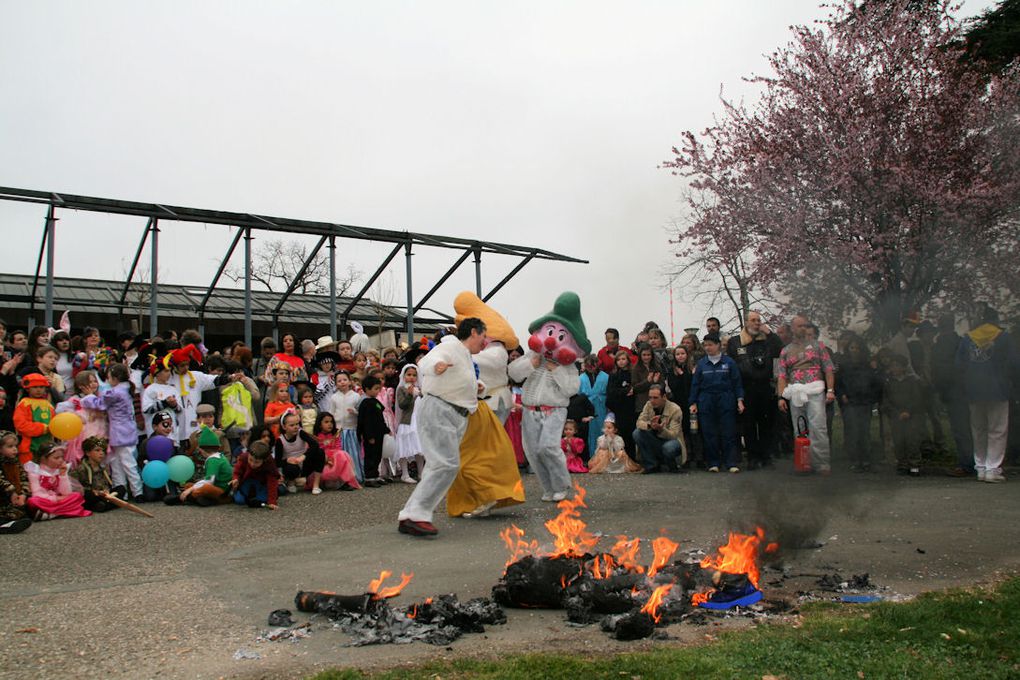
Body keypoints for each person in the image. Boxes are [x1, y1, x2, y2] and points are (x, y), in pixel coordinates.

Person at [397, 318, 487, 537]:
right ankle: (417, 514)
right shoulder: (450, 346)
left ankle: (411, 514)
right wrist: (435, 367)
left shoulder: (464, 354)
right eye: (484, 336)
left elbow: (456, 381)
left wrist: (477, 388)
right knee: (446, 464)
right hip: (440, 410)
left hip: (454, 413)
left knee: (439, 465)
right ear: (474, 332)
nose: (484, 342)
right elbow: (427, 362)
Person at [955, 306, 1019, 483]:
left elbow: (959, 365)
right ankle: (993, 469)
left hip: (974, 390)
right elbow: (1014, 363)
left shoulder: (968, 339)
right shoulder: (1003, 337)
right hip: (998, 389)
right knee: (997, 430)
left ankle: (981, 468)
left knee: (978, 430)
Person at [777, 315, 836, 475]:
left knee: (818, 427)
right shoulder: (785, 351)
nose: (803, 328)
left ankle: (822, 463)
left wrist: (830, 390)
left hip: (815, 390)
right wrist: (781, 397)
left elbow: (829, 369)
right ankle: (804, 463)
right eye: (800, 326)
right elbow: (782, 375)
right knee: (800, 429)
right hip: (795, 391)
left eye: (805, 325)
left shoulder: (818, 346)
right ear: (793, 328)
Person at [726, 311, 783, 470]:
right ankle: (753, 457)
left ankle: (766, 455)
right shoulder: (735, 342)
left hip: (765, 387)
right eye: (753, 320)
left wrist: (770, 333)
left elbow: (781, 351)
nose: (757, 323)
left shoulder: (767, 340)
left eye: (759, 320)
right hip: (746, 388)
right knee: (749, 424)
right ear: (746, 322)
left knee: (766, 423)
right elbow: (731, 365)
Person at [81, 363, 145, 501]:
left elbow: (100, 404)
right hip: (122, 430)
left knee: (127, 463)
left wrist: (88, 396)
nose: (107, 380)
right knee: (116, 462)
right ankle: (122, 492)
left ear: (115, 378)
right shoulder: (125, 389)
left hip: (121, 432)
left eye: (109, 377)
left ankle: (137, 492)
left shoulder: (115, 392)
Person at [690, 334, 745, 473]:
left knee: (728, 431)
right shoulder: (702, 364)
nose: (708, 347)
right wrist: (693, 402)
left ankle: (731, 462)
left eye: (710, 344)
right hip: (706, 400)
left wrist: (740, 400)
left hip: (726, 398)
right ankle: (713, 462)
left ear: (718, 345)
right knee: (709, 432)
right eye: (705, 345)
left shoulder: (729, 362)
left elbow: (737, 383)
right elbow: (695, 385)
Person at [932, 313, 973, 477]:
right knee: (974, 428)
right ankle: (980, 462)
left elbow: (940, 371)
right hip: (967, 390)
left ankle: (967, 463)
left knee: (960, 429)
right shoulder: (962, 342)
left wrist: (940, 390)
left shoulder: (940, 346)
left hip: (953, 391)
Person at [835, 336, 881, 472]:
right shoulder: (843, 365)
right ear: (848, 349)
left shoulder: (868, 365)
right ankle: (854, 460)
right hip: (849, 402)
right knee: (852, 431)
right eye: (852, 348)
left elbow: (875, 383)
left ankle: (866, 459)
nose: (855, 350)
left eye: (857, 348)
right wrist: (842, 395)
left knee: (864, 431)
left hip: (864, 402)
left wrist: (872, 398)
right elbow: (838, 383)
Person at [880, 354, 926, 476]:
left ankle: (914, 464)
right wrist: (895, 412)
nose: (895, 369)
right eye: (893, 366)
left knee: (912, 440)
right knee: (899, 440)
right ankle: (902, 463)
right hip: (896, 415)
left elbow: (917, 398)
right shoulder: (889, 382)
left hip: (912, 415)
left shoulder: (912, 381)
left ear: (904, 367)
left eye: (898, 366)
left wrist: (908, 411)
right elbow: (886, 400)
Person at [25, 443, 91, 520]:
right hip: (46, 500)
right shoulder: (35, 471)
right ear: (43, 459)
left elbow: (66, 493)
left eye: (62, 457)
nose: (60, 460)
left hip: (59, 499)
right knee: (32, 501)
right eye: (56, 458)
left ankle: (51, 514)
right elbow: (36, 493)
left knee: (77, 496)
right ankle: (62, 513)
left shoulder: (59, 470)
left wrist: (63, 475)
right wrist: (55, 498)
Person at [172, 427, 233, 506]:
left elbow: (209, 481)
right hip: (218, 487)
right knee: (189, 485)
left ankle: (186, 498)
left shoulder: (213, 460)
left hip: (223, 491)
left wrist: (191, 489)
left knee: (204, 488)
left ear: (201, 449)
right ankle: (204, 499)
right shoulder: (219, 456)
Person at [634, 385, 686, 473]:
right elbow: (639, 423)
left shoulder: (675, 409)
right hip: (656, 440)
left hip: (671, 441)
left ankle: (673, 465)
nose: (652, 401)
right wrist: (650, 425)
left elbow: (673, 435)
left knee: (668, 447)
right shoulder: (648, 405)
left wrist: (661, 429)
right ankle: (651, 465)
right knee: (637, 433)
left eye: (655, 398)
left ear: (664, 397)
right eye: (650, 397)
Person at [274, 411, 325, 494]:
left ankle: (316, 485)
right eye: (292, 425)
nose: (295, 427)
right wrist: (287, 460)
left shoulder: (300, 433)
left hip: (304, 464)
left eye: (297, 424)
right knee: (291, 468)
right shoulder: (280, 441)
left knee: (320, 452)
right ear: (284, 427)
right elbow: (277, 462)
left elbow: (314, 444)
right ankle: (291, 482)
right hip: (291, 467)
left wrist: (303, 456)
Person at [71, 436, 126, 512]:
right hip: (93, 495)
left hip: (104, 495)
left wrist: (105, 490)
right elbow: (75, 488)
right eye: (97, 450)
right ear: (88, 453)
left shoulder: (103, 467)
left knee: (121, 488)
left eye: (103, 450)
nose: (101, 453)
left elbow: (106, 484)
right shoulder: (81, 468)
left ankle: (104, 505)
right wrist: (96, 492)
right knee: (88, 495)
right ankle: (107, 504)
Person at [329, 371, 363, 483]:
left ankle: (353, 475)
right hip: (339, 430)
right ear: (335, 384)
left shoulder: (356, 396)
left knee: (353, 453)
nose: (342, 382)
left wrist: (355, 412)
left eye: (344, 380)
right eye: (339, 381)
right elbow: (331, 413)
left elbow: (361, 412)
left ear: (350, 381)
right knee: (340, 453)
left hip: (352, 429)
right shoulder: (334, 397)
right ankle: (341, 477)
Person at [13, 373, 55, 465]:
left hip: (47, 448)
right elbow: (21, 425)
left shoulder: (48, 405)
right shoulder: (24, 404)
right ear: (28, 389)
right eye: (35, 387)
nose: (39, 390)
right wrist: (43, 428)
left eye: (41, 387)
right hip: (29, 449)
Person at [357, 375, 390, 486]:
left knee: (377, 455)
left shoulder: (374, 401)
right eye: (375, 389)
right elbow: (366, 422)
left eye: (379, 389)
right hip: (371, 435)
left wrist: (386, 429)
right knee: (370, 456)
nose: (378, 391)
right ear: (367, 389)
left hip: (379, 433)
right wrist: (369, 436)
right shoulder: (366, 403)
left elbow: (380, 417)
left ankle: (375, 475)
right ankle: (369, 478)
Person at [394, 364, 424, 484]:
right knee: (405, 447)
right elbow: (402, 405)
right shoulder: (401, 389)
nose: (411, 377)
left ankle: (421, 473)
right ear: (404, 376)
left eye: (414, 375)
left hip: (418, 422)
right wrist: (409, 394)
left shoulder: (420, 389)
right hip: (407, 422)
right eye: (409, 375)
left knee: (419, 448)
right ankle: (405, 474)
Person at [315, 412, 360, 490]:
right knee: (339, 455)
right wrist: (327, 458)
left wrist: (334, 456)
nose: (330, 424)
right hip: (323, 459)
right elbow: (316, 450)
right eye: (326, 422)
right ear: (319, 424)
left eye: (331, 422)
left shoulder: (335, 434)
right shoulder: (316, 436)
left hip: (334, 456)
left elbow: (338, 447)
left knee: (342, 454)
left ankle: (344, 482)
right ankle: (325, 482)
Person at [230, 440, 280, 509]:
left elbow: (272, 482)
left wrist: (272, 502)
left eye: (257, 462)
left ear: (264, 460)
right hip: (247, 480)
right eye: (250, 460)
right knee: (239, 501)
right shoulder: (244, 457)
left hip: (262, 483)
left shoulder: (269, 463)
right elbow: (237, 471)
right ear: (248, 454)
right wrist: (235, 479)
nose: (252, 464)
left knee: (263, 499)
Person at [606, 350, 637, 457]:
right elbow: (611, 391)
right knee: (621, 433)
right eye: (618, 360)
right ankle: (622, 458)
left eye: (623, 359)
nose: (621, 362)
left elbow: (636, 387)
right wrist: (625, 391)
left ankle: (632, 458)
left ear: (628, 360)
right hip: (619, 407)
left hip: (631, 407)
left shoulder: (633, 373)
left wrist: (631, 390)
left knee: (631, 433)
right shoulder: (614, 375)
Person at [578, 354, 608, 460]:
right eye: (588, 366)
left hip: (601, 406)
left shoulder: (605, 376)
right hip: (587, 407)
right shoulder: (580, 378)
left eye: (593, 366)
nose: (591, 368)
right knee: (589, 432)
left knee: (602, 430)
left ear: (597, 365)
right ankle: (590, 457)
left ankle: (603, 458)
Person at [0, 430, 31, 532]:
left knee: (23, 510)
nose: (14, 449)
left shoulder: (15, 462)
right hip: (4, 496)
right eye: (10, 446)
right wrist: (12, 491)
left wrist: (23, 494)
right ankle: (4, 525)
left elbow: (24, 479)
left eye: (15, 446)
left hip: (10, 500)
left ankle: (9, 522)